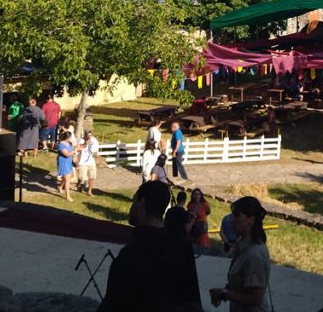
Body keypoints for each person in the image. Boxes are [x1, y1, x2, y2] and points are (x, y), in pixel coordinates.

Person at [97, 181, 201, 312]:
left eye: (134, 201)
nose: (131, 206)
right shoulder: (181, 245)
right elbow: (192, 298)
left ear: (141, 202)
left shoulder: (130, 256)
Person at [209, 196, 271, 312]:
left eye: (237, 215)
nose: (231, 220)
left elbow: (256, 298)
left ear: (250, 220)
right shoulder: (242, 244)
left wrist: (224, 294)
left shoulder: (254, 254)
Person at [75, 129, 99, 196]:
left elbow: (95, 151)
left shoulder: (94, 140)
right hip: (83, 161)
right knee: (81, 177)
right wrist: (85, 144)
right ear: (85, 135)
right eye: (88, 136)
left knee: (92, 177)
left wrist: (97, 159)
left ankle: (89, 191)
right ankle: (78, 184)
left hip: (91, 161)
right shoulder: (81, 140)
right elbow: (78, 149)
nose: (89, 137)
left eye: (90, 135)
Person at [56, 130, 75, 201]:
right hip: (63, 163)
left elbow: (72, 151)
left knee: (66, 178)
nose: (70, 138)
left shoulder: (69, 143)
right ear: (67, 137)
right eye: (70, 137)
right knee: (67, 180)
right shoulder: (61, 144)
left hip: (69, 162)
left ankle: (60, 187)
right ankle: (68, 196)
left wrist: (78, 148)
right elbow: (67, 154)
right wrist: (75, 150)